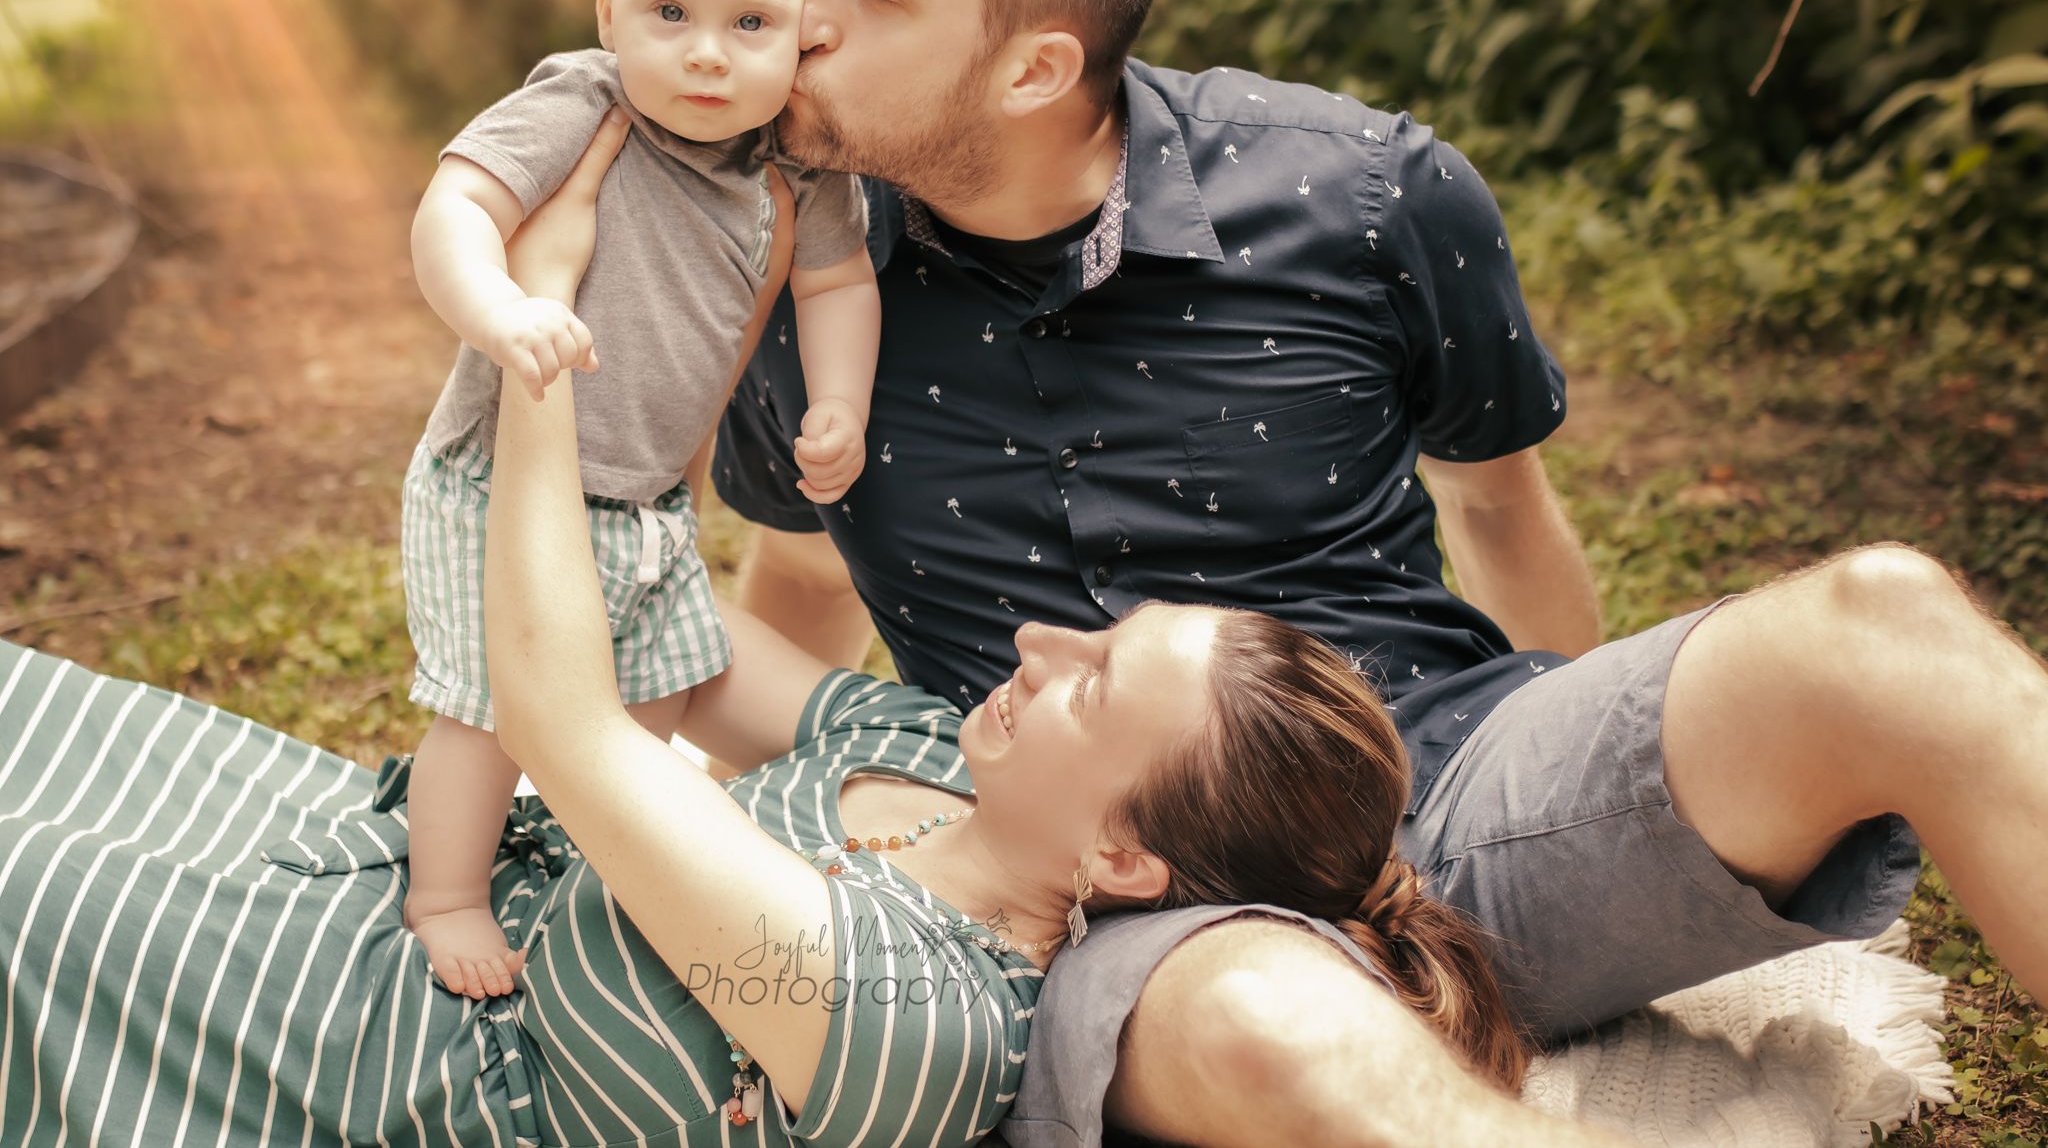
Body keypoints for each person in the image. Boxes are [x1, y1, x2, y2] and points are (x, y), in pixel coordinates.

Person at [708, 0, 2048, 1147]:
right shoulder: (794, 286)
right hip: (1124, 898)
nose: (799, 11)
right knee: (1267, 1023)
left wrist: (1596, 802)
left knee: (1889, 625)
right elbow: (801, 590)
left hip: (1446, 773)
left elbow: (1504, 515)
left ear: (1035, 67)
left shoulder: (1358, 193)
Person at [0, 122, 1602, 1148]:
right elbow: (679, 657)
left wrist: (551, 345)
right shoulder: (928, 757)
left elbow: (563, 716)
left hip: (323, 1055)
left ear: (1123, 863)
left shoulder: (913, 1019)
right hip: (351, 867)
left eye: (1089, 686)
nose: (1035, 646)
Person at [402, 0, 880, 997]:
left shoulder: (798, 166)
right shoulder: (580, 98)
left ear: (802, 34)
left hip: (646, 496)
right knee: (489, 706)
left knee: (653, 686)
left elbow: (838, 283)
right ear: (610, 9)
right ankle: (444, 892)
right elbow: (452, 205)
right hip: (498, 478)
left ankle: (586, 844)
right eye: (670, 14)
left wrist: (841, 405)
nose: (706, 55)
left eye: (749, 25)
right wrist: (499, 309)